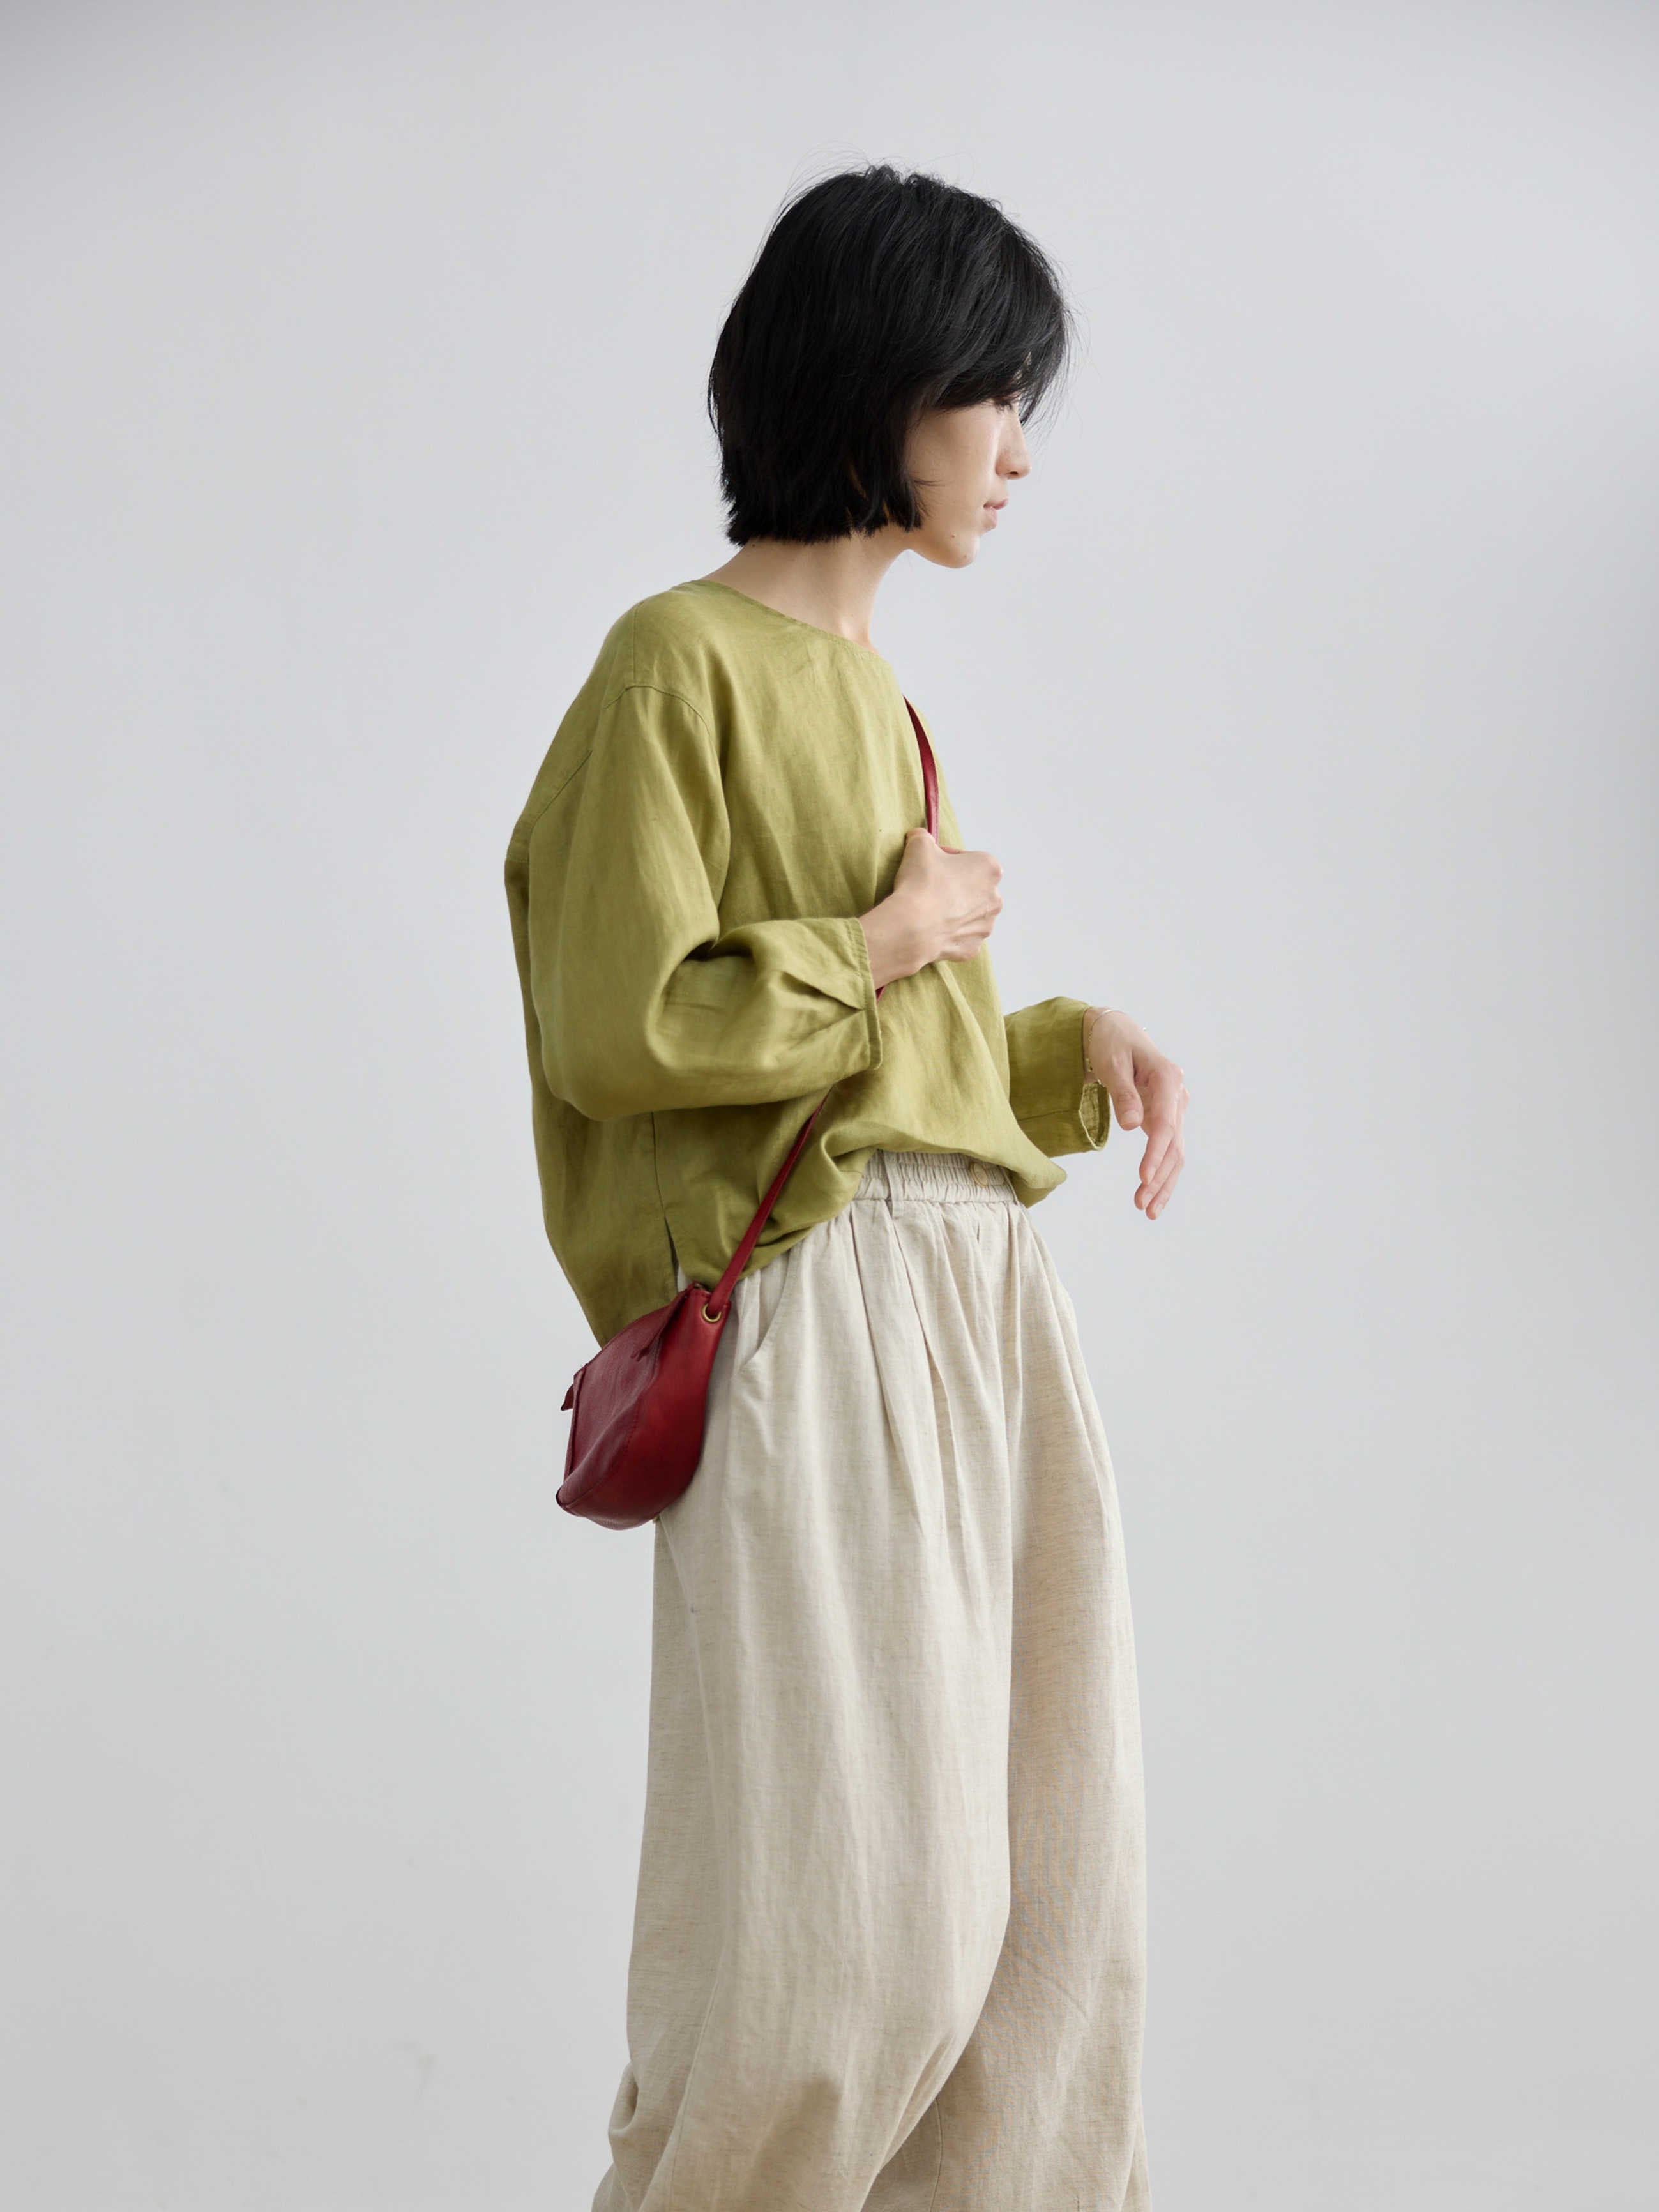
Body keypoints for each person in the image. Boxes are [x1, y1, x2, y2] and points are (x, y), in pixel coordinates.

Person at [505, 163, 1188, 2212]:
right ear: (886, 385)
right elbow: (622, 1019)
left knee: (1048, 1926)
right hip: (823, 1301)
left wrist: (1063, 1048)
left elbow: (895, 1062)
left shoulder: (884, 701)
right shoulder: (675, 666)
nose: (1018, 450)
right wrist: (886, 944)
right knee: (851, 1933)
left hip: (981, 1297)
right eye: (996, 392)